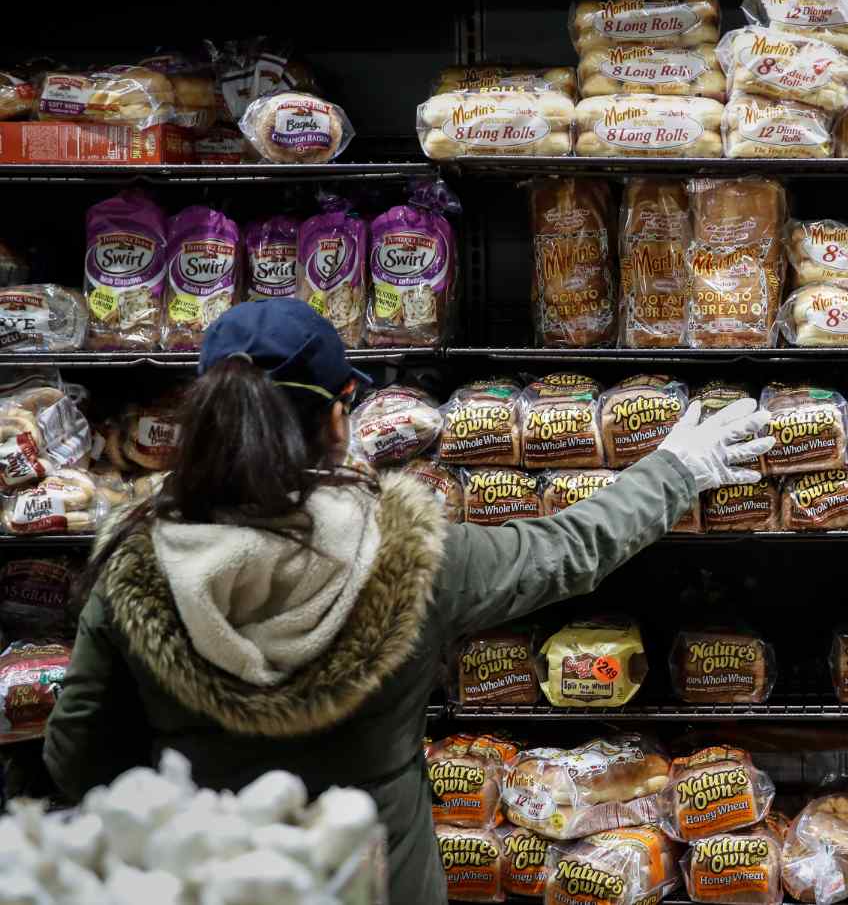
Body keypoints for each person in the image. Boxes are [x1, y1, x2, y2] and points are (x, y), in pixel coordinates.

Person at [43, 299, 774, 903]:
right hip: (379, 877)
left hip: (204, 878)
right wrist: (680, 468)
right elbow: (568, 549)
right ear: (340, 419)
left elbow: (77, 756)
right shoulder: (408, 552)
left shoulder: (137, 568)